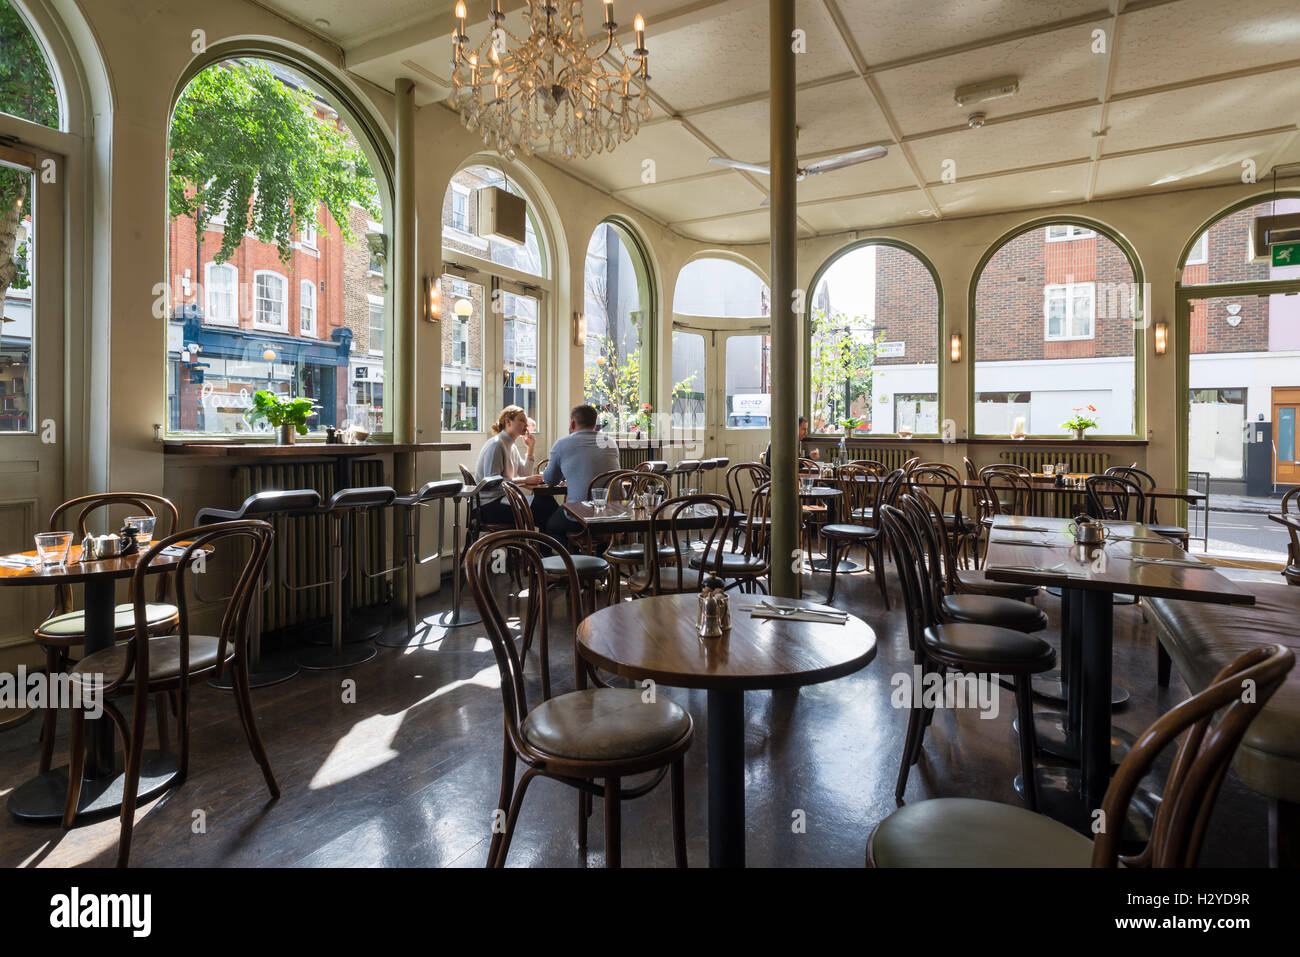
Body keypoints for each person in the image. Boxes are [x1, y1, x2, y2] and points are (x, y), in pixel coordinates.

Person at [541, 404, 620, 537]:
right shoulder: (610, 442)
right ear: (595, 424)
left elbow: (550, 480)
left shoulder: (562, 444)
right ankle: (598, 552)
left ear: (572, 423)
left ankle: (569, 556)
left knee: (550, 524)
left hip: (580, 516)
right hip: (614, 514)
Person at [472, 406, 543, 525]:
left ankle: (541, 542)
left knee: (544, 502)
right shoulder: (496, 444)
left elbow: (525, 473)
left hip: (502, 499)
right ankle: (546, 542)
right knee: (544, 507)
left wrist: (530, 448)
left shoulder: (511, 445)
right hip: (488, 505)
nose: (526, 425)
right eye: (521, 420)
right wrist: (525, 480)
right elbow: (492, 482)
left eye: (526, 422)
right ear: (508, 422)